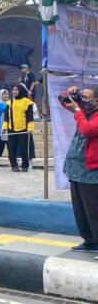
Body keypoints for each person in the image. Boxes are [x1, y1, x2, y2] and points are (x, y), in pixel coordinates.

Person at [62, 86, 98, 256]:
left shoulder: (92, 115)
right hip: (76, 168)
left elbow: (88, 130)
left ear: (96, 100)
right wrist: (69, 94)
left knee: (94, 209)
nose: (82, 100)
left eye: (86, 97)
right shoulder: (85, 111)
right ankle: (90, 241)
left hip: (91, 171)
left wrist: (77, 110)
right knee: (80, 209)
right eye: (81, 97)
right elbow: (63, 101)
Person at [7, 84, 34, 172]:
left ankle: (25, 165)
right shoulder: (10, 102)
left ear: (21, 90)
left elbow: (30, 116)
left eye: (16, 90)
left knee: (24, 148)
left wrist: (30, 128)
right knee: (11, 148)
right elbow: (7, 117)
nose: (14, 91)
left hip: (23, 129)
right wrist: (4, 128)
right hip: (11, 129)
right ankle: (14, 165)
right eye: (13, 89)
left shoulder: (27, 101)